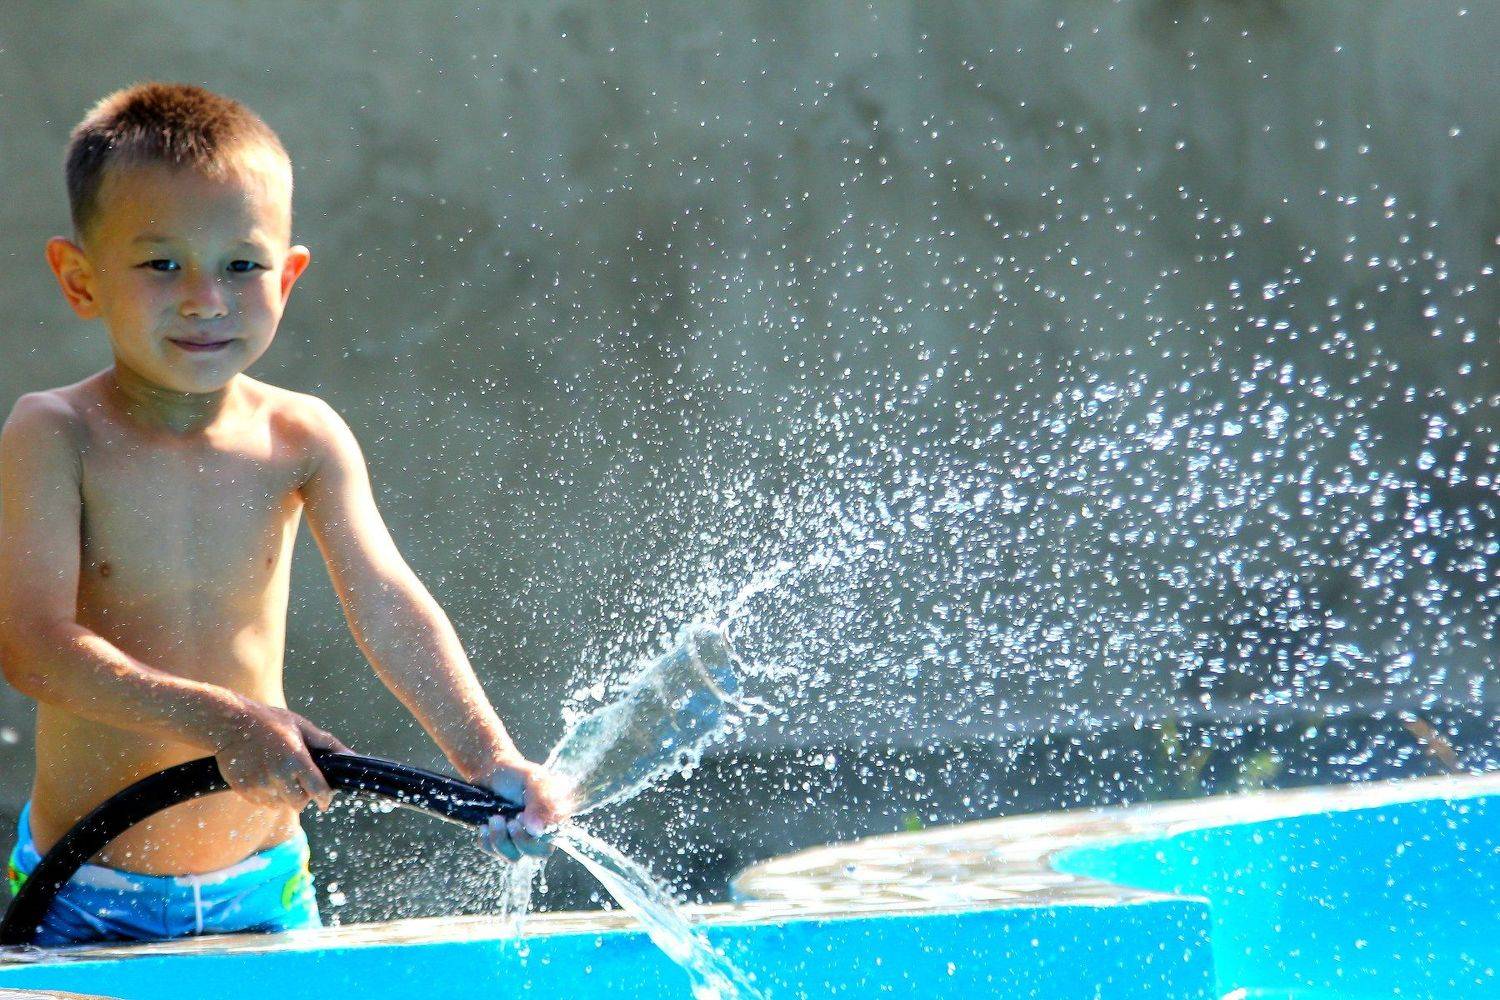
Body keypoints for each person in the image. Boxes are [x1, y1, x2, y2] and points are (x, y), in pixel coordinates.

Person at [0, 81, 572, 947]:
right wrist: (223, 719)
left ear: (288, 276)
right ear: (81, 280)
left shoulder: (302, 436)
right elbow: (34, 648)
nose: (206, 299)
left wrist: (490, 758)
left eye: (242, 266)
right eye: (161, 265)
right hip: (83, 893)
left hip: (266, 888)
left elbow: (389, 606)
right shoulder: (55, 434)